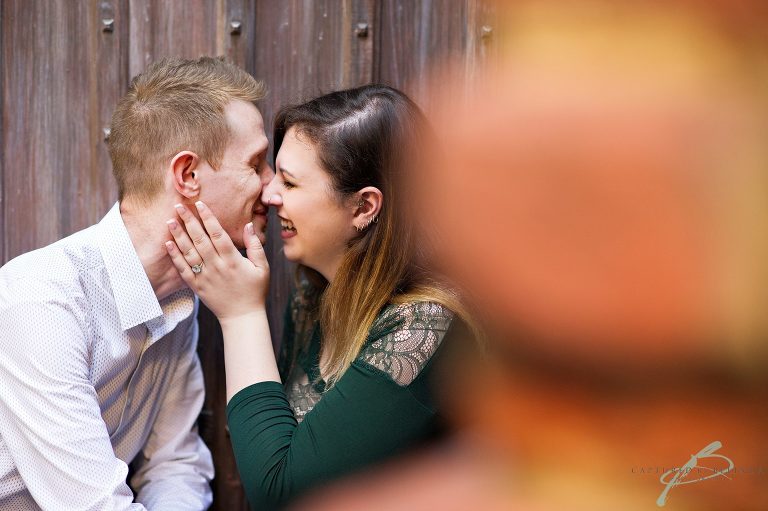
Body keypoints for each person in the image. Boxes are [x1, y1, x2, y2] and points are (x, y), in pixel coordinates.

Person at [164, 84, 475, 509]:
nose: (270, 195)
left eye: (290, 183)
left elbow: (281, 496)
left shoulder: (424, 327)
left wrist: (241, 315)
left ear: (364, 207)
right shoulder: (313, 294)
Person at [0, 56, 274, 509]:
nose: (271, 188)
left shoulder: (184, 298)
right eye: (257, 163)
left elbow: (176, 462)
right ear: (187, 176)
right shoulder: (40, 301)